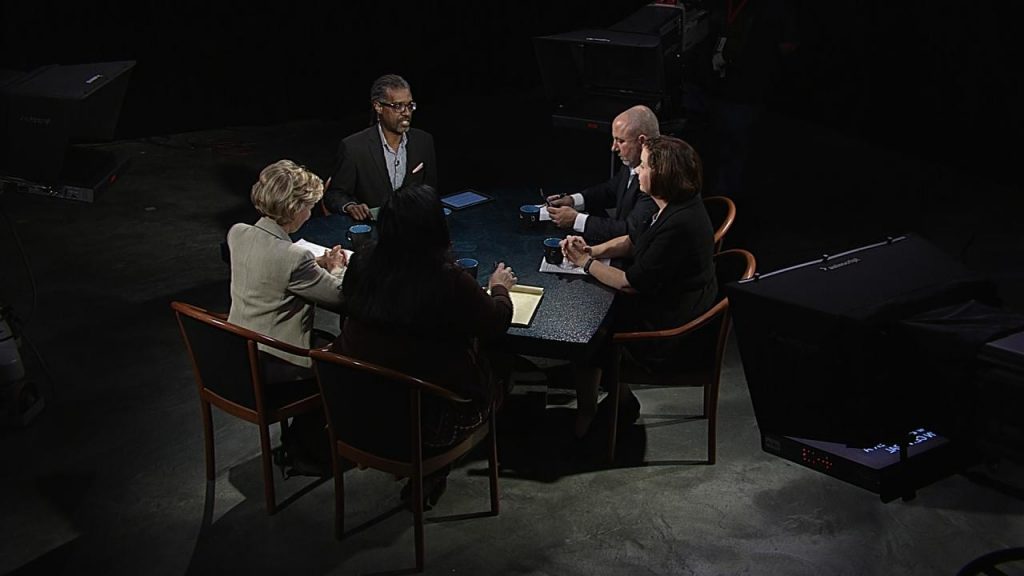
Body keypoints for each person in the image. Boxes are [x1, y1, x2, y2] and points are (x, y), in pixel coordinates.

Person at [332, 184, 516, 507]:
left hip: (356, 411)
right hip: (428, 423)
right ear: (436, 227)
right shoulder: (447, 278)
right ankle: (441, 463)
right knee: (501, 366)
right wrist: (499, 289)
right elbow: (496, 322)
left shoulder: (361, 264)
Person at [560, 136, 717, 439]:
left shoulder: (678, 224)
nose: (638, 171)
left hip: (671, 335)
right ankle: (617, 399)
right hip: (669, 305)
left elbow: (630, 283)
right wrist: (592, 251)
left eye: (644, 166)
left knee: (591, 331)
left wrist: (585, 263)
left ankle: (591, 413)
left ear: (661, 175)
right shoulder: (670, 206)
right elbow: (635, 241)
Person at [227, 159, 347, 474]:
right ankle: (317, 450)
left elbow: (271, 270)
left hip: (238, 356)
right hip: (276, 365)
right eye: (308, 207)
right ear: (294, 209)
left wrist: (314, 266)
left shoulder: (238, 233)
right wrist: (335, 269)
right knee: (345, 356)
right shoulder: (294, 257)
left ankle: (304, 441)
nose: (310, 214)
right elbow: (339, 297)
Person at [323, 74, 438, 220]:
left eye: (409, 105)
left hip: (414, 227)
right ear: (378, 106)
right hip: (375, 232)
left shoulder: (423, 141)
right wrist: (351, 206)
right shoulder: (354, 147)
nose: (406, 113)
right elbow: (334, 194)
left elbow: (431, 190)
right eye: (398, 106)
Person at [544, 105, 660, 245]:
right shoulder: (633, 159)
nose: (613, 148)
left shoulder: (656, 178)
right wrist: (573, 201)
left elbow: (631, 231)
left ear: (642, 141)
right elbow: (611, 189)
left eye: (621, 141)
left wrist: (576, 220)